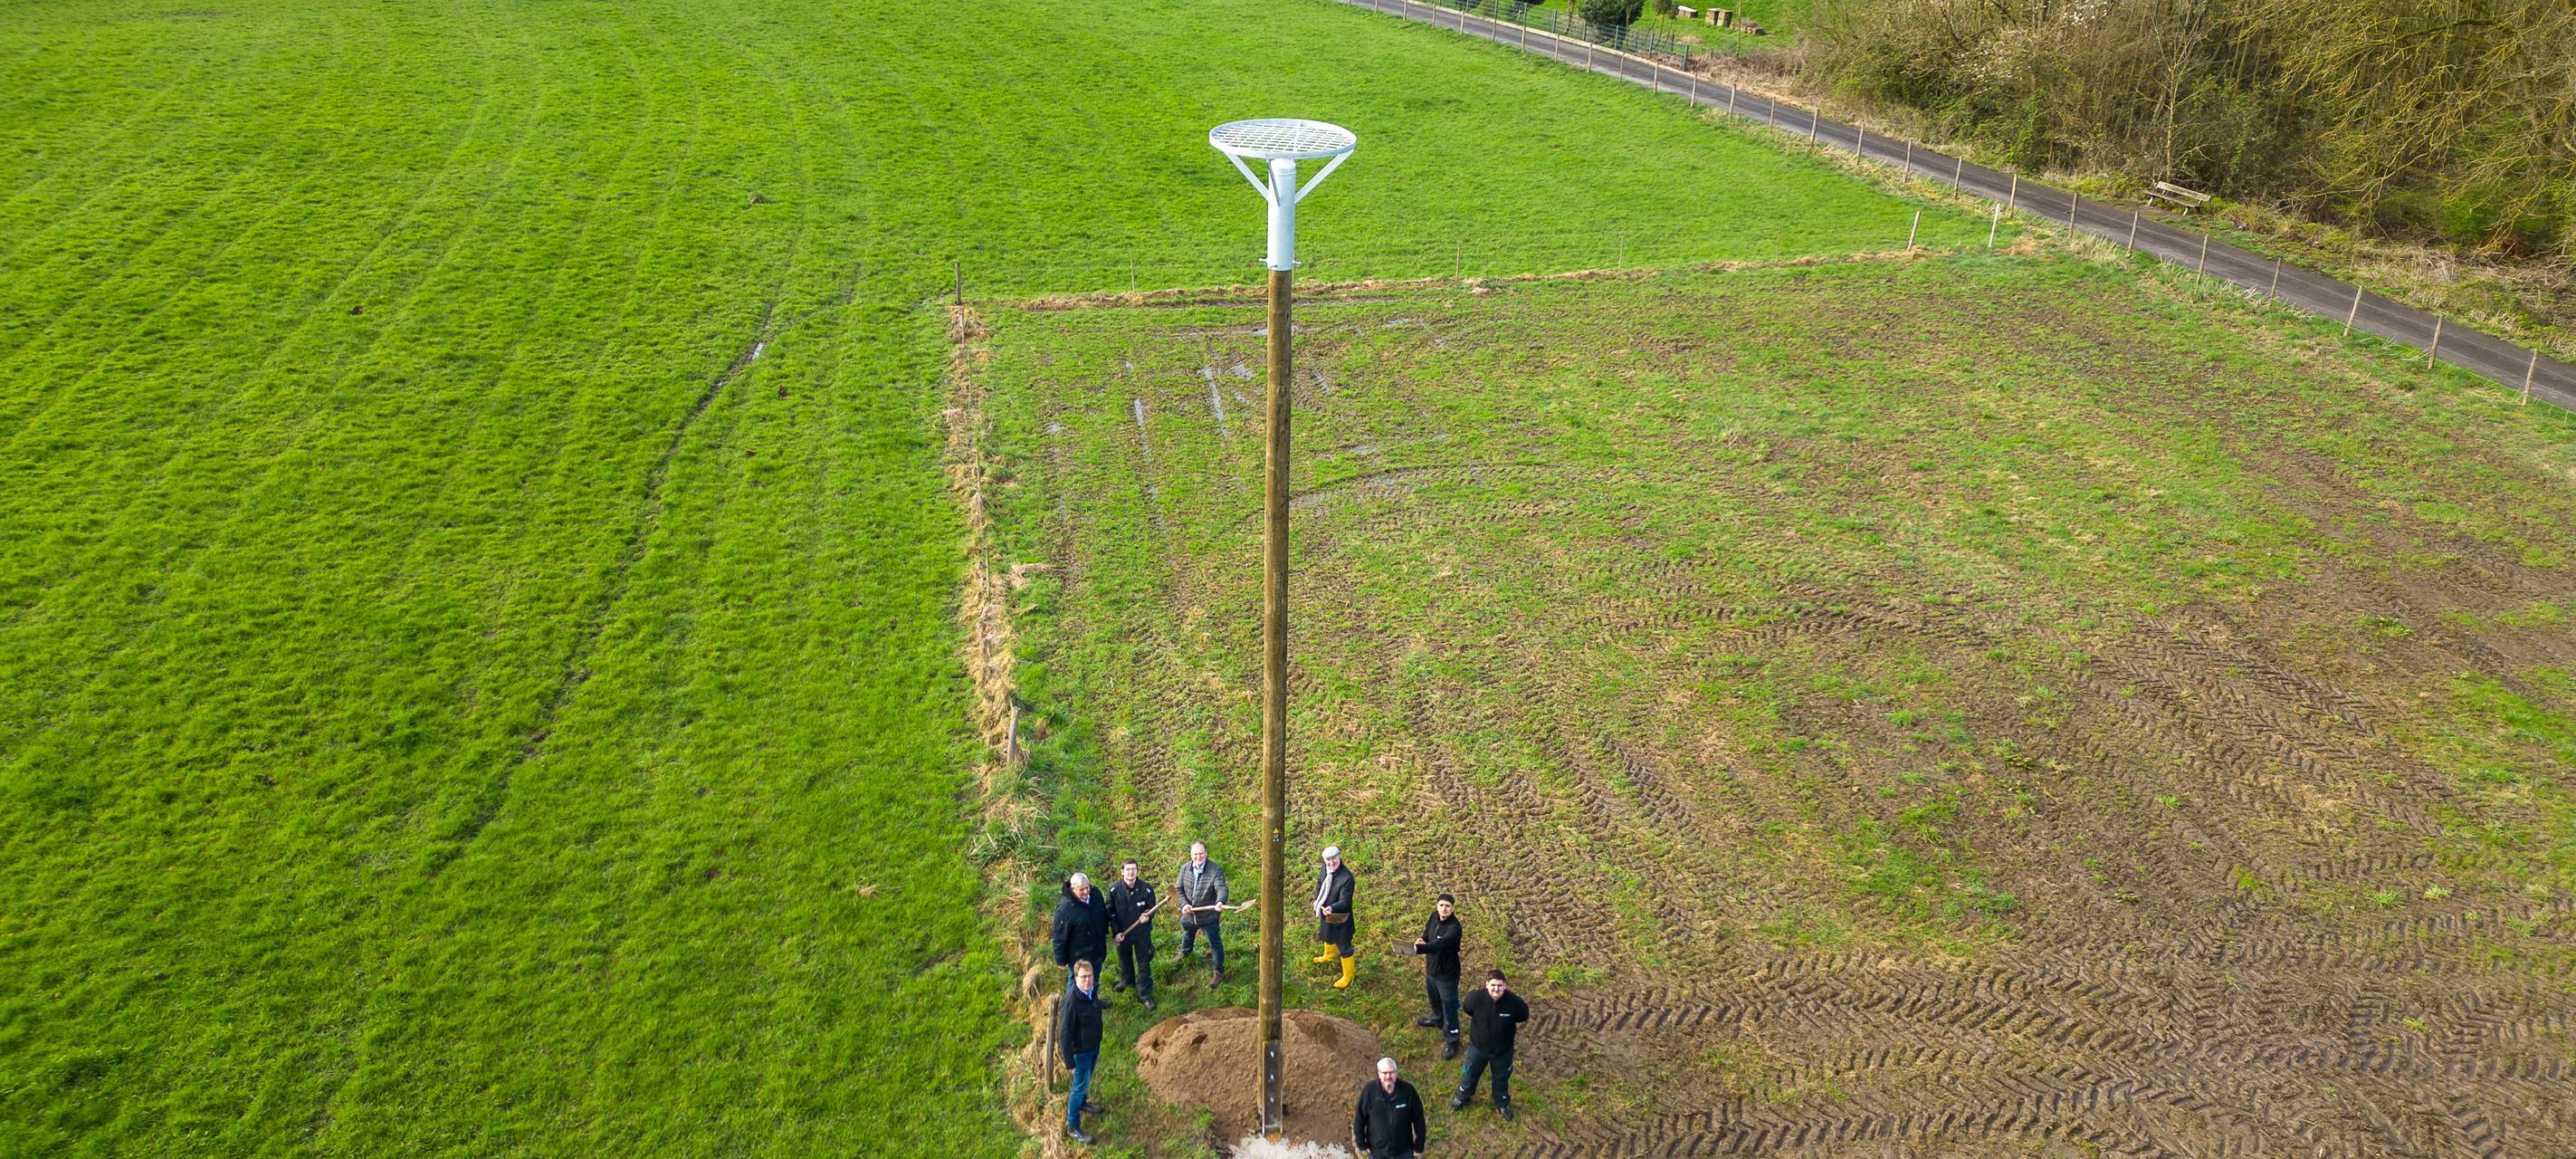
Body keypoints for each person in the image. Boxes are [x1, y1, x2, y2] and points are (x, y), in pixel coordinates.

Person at [1453, 969, 1529, 1120]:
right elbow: (1467, 1008)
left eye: (1500, 985)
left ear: (1504, 986)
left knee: (1502, 1078)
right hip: (1477, 1049)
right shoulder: (1475, 998)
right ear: (1487, 985)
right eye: (1493, 985)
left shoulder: (1514, 1002)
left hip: (1503, 1051)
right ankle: (1462, 1097)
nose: (1496, 989)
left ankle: (1502, 1102)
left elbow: (1524, 1015)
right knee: (1469, 1074)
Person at [1059, 959, 1108, 1145]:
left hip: (1093, 1046)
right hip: (1080, 1053)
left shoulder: (1091, 991)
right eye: (1083, 977)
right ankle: (1072, 1126)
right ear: (1076, 978)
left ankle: (1083, 1104)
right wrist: (1069, 1062)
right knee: (1078, 1088)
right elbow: (1064, 1034)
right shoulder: (1071, 1002)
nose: (1087, 980)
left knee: (1086, 1080)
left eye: (1090, 976)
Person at [1412, 894, 1463, 1059]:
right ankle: (1437, 1019)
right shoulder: (1434, 916)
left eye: (1448, 906)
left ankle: (1452, 1040)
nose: (1444, 909)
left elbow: (1440, 944)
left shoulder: (1455, 928)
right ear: (1437, 906)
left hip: (1447, 974)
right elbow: (1428, 934)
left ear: (1453, 908)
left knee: (1450, 1007)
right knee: (1434, 999)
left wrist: (1419, 949)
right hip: (1432, 969)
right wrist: (1422, 939)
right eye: (1441, 905)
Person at [1104, 858, 1159, 1011]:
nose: (1131, 872)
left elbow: (1152, 907)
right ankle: (1127, 981)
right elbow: (1110, 912)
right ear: (1122, 872)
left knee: (1143, 964)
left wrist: (1147, 915)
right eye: (1127, 869)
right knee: (1124, 960)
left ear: (1137, 871)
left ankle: (1145, 994)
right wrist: (1116, 933)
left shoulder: (1146, 889)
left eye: (1133, 869)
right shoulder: (1114, 890)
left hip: (1142, 933)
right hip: (1123, 934)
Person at [1171, 841, 1228, 984]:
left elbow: (1221, 888)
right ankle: (1185, 952)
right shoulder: (1185, 868)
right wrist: (1184, 904)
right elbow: (1179, 889)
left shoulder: (1215, 870)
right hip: (1189, 915)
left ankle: (1218, 971)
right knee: (1187, 934)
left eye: (1201, 853)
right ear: (1191, 855)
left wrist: (1220, 901)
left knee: (1215, 943)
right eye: (1195, 854)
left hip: (1208, 916)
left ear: (1206, 853)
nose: (1198, 857)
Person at [1352, 1056, 1428, 1159]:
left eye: (1391, 1072)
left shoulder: (1408, 1091)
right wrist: (1361, 1143)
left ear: (1396, 1073)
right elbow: (1359, 1119)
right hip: (1377, 1152)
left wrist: (1419, 1145)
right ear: (1379, 1074)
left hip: (1404, 1152)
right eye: (1384, 1073)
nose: (1388, 1076)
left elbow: (1419, 1119)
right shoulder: (1369, 1092)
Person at [1051, 871, 1110, 1002]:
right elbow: (1059, 938)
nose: (1086, 892)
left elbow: (1103, 914)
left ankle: (1093, 1003)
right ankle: (1071, 1008)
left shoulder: (1096, 894)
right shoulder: (1064, 910)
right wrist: (1061, 960)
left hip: (1097, 949)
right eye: (1081, 889)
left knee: (1094, 978)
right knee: (1076, 984)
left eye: (1087, 887)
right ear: (1073, 889)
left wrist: (1106, 932)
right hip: (1078, 956)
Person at [1311, 845, 1357, 990]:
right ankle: (1329, 955)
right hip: (1326, 912)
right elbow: (1319, 883)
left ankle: (1348, 976)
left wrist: (1332, 908)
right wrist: (1318, 899)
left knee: (1344, 945)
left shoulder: (1347, 878)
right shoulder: (1325, 869)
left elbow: (1345, 901)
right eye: (1328, 860)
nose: (1331, 863)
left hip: (1341, 917)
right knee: (1327, 934)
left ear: (1339, 857)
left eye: (1334, 859)